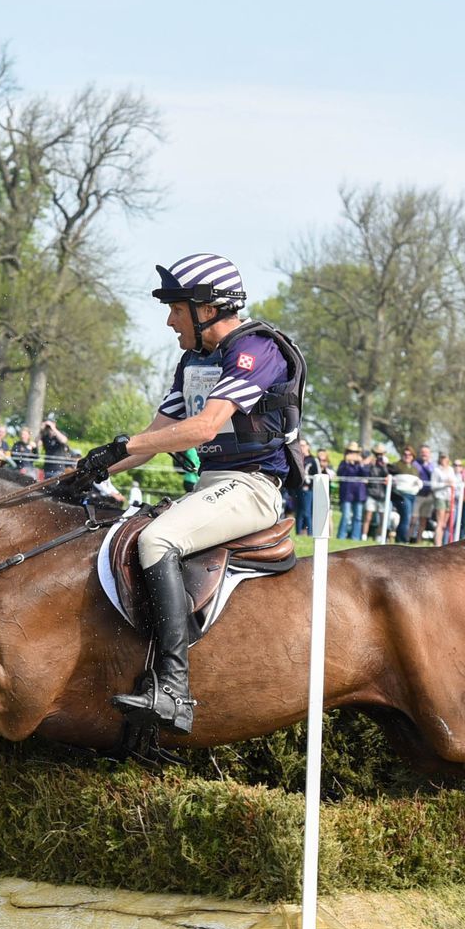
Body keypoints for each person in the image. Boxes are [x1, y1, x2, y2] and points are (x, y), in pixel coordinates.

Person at [69, 253, 306, 735]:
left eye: (177, 308)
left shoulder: (257, 351)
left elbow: (202, 428)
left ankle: (174, 691)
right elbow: (154, 437)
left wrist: (125, 446)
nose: (170, 319)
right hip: (211, 486)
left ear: (209, 307)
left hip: (253, 487)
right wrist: (89, 468)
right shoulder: (193, 362)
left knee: (157, 541)